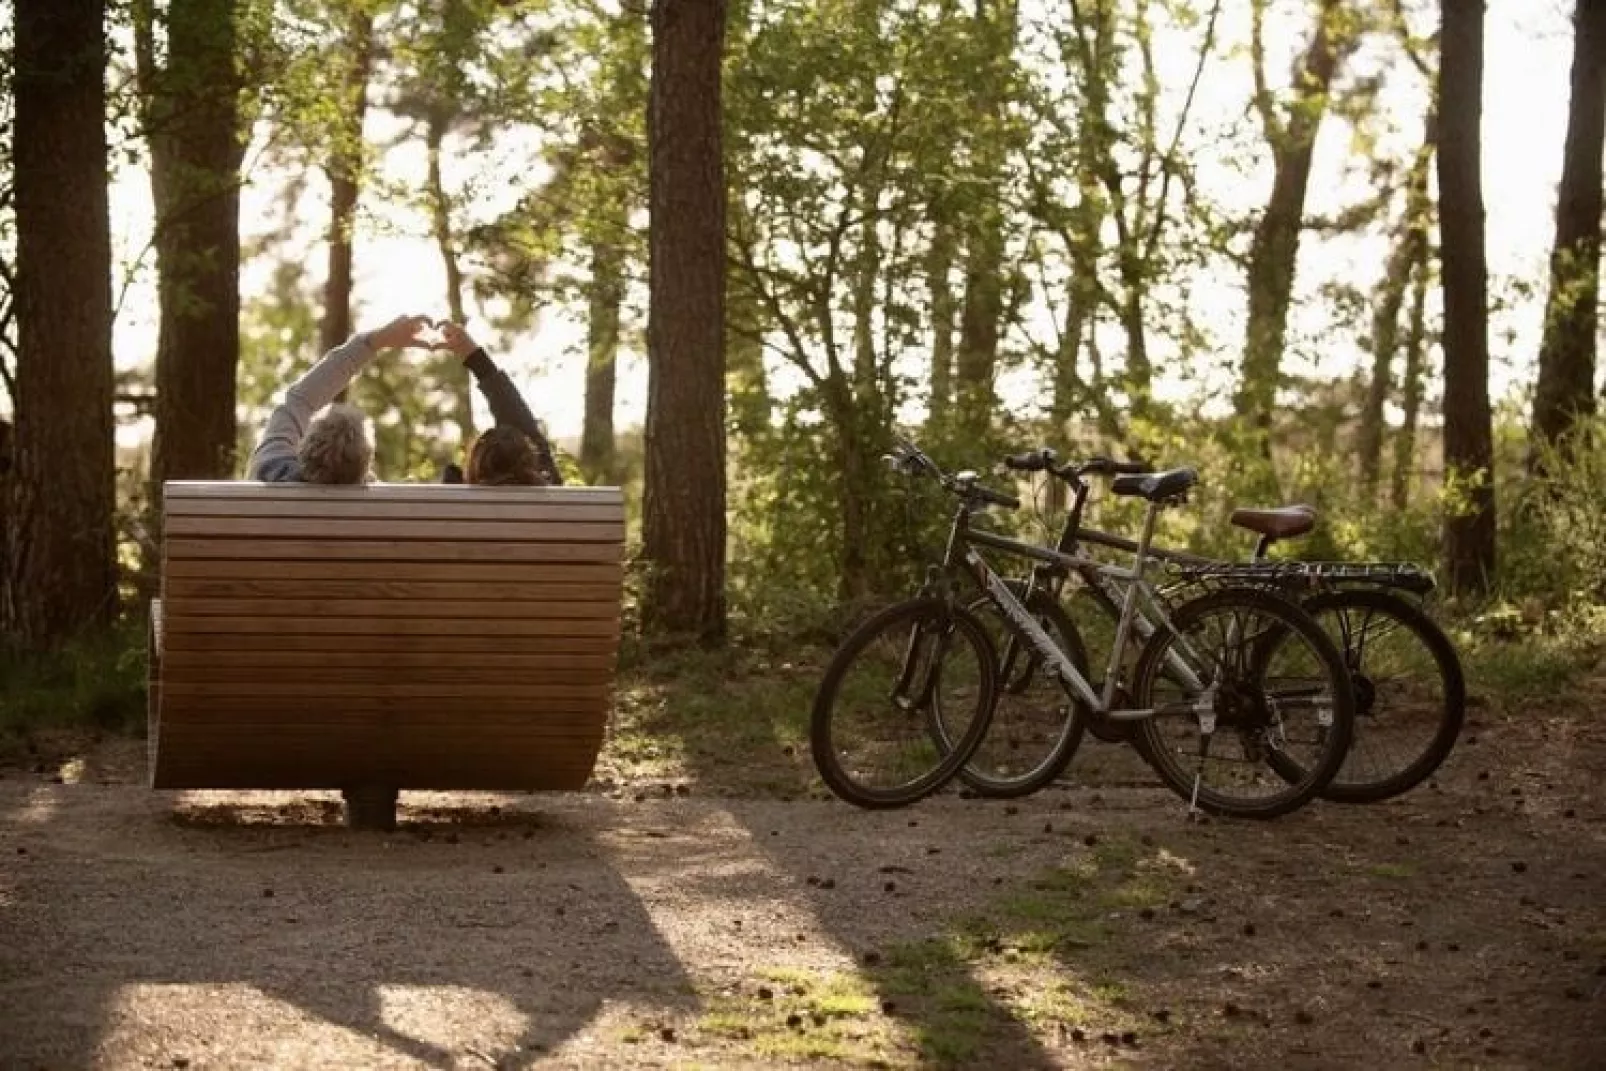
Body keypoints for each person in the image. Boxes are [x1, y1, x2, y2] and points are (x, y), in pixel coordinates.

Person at [246, 314, 436, 484]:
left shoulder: (269, 468)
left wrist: (375, 340)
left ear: (305, 447)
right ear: (364, 466)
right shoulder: (378, 506)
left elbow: (299, 400)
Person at [435, 321, 564, 487]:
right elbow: (518, 418)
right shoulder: (551, 500)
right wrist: (473, 355)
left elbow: (518, 419)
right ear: (531, 463)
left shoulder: (454, 506)